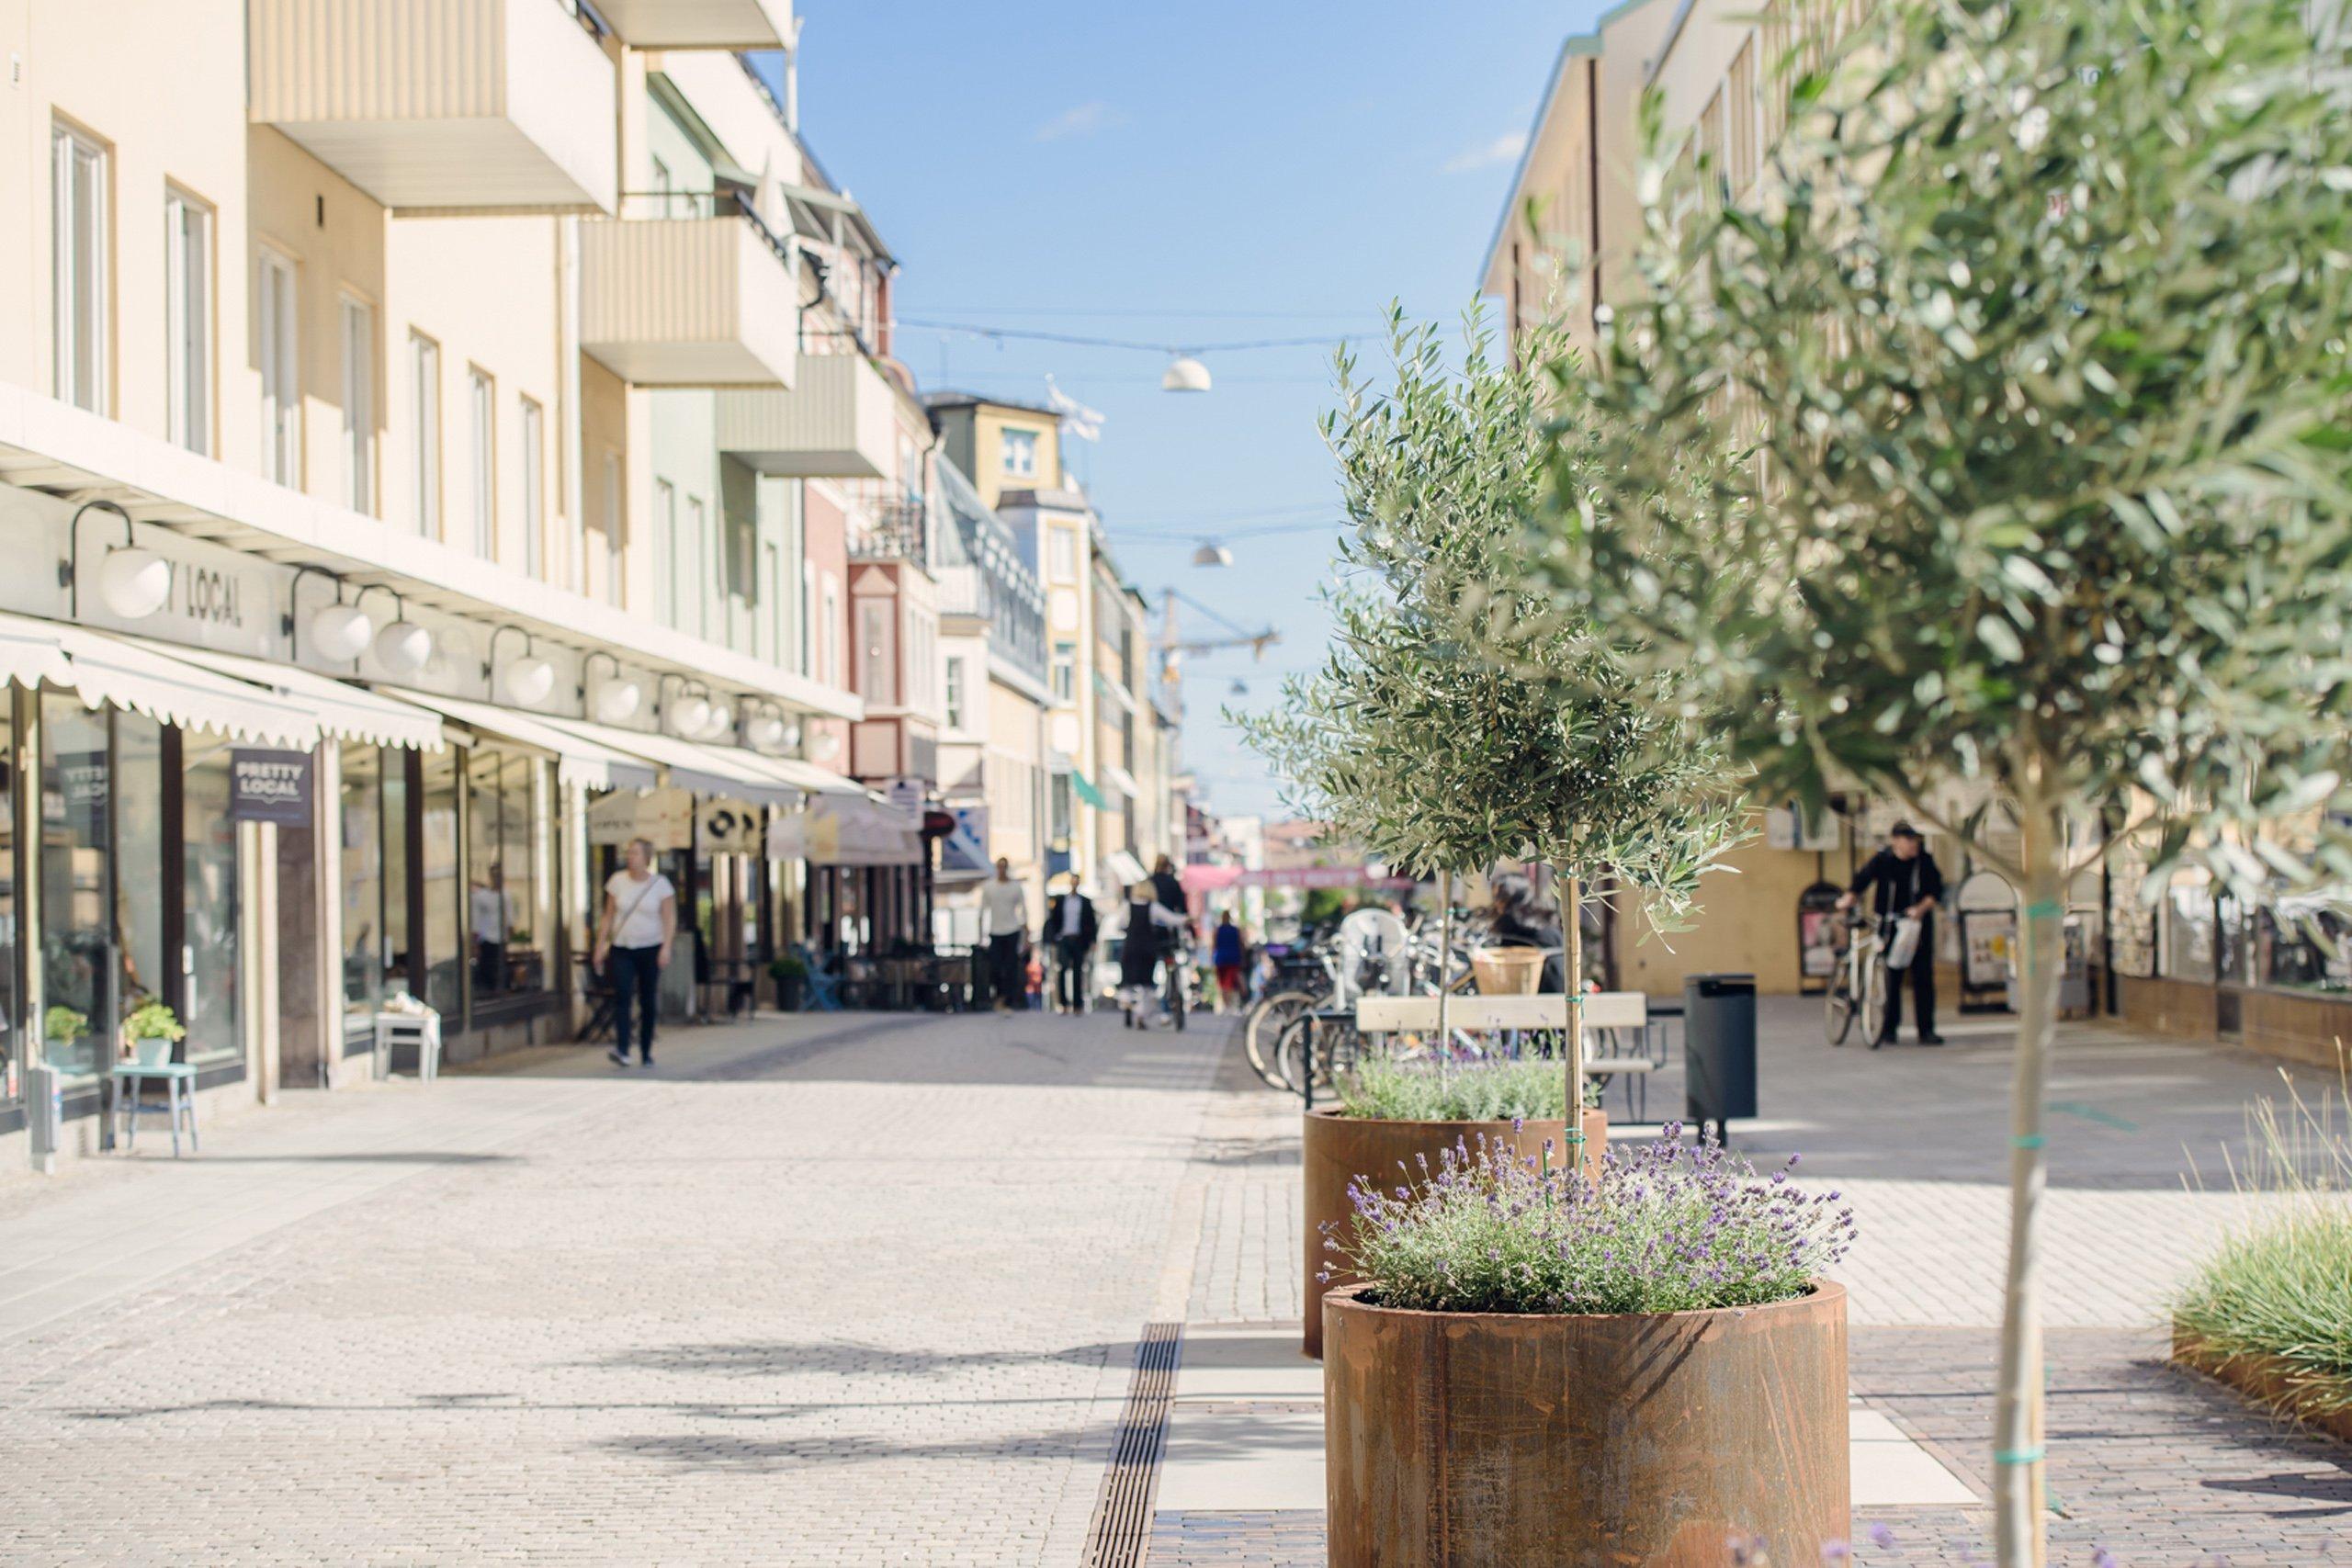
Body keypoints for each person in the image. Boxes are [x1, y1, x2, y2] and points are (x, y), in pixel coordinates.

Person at [1838, 821, 1946, 1044]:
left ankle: (1926, 1030)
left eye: (1915, 839)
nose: (1913, 844)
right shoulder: (1883, 860)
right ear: (1896, 840)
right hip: (1889, 926)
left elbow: (1935, 891)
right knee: (1890, 979)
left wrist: (1920, 909)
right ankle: (1889, 1028)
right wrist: (1849, 896)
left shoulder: (1924, 861)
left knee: (1923, 977)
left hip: (1917, 928)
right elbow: (1862, 879)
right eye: (1909, 839)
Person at [594, 838, 675, 1067]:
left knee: (648, 1000)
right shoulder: (617, 882)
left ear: (647, 858)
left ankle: (646, 1049)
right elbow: (608, 916)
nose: (631, 857)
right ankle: (622, 1049)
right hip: (622, 947)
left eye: (636, 853)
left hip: (651, 948)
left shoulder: (661, 884)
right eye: (629, 853)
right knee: (623, 995)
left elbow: (669, 919)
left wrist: (666, 947)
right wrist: (600, 945)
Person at [1117, 881, 1190, 1026]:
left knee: (1128, 981)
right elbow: (1172, 919)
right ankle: (1141, 1014)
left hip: (1131, 947)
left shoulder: (1127, 906)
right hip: (1147, 948)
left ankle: (1127, 1001)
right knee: (1146, 985)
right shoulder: (1153, 907)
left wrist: (1128, 930)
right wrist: (1188, 919)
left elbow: (1119, 924)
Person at [980, 857, 1031, 1012]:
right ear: (996, 868)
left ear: (1007, 868)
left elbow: (1023, 911)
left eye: (1004, 867)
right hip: (995, 931)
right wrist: (980, 935)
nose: (1002, 870)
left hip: (1012, 930)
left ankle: (1008, 1001)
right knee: (995, 967)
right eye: (999, 867)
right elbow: (982, 911)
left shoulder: (1016, 887)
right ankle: (999, 996)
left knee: (1011, 968)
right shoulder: (989, 887)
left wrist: (1026, 935)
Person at [1046, 875, 1099, 1014]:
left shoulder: (1085, 902)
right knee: (1062, 970)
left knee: (1078, 972)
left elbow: (1091, 923)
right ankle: (1063, 1004)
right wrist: (1054, 937)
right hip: (1064, 939)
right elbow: (1053, 920)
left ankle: (1077, 1005)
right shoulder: (1060, 900)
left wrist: (1093, 940)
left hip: (1079, 940)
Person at [1211, 911, 1246, 1012]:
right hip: (1233, 958)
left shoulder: (1217, 930)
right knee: (1229, 983)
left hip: (1221, 959)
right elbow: (1241, 945)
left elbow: (1213, 946)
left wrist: (1212, 959)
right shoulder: (1235, 930)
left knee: (1223, 984)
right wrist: (1243, 958)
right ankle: (1230, 1004)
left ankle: (1227, 1005)